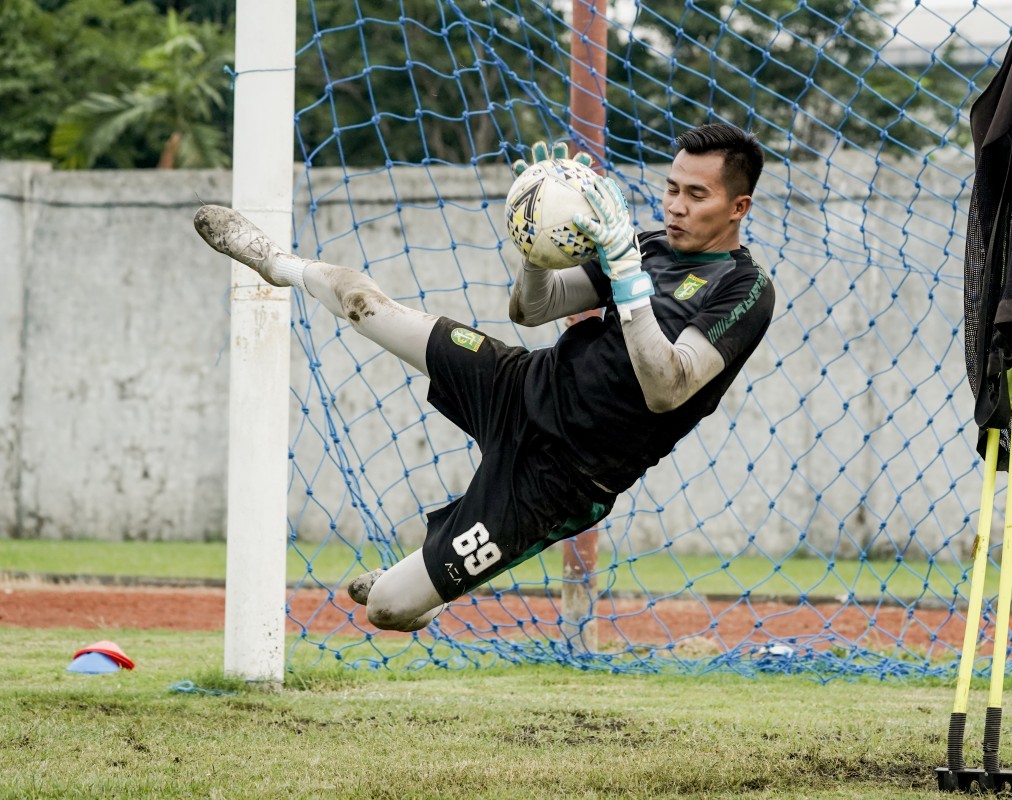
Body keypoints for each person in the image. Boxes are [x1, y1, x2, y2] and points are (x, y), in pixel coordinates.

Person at [193, 122, 775, 632]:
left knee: (388, 610)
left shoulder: (744, 289)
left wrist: (627, 277)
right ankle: (276, 262)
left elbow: (666, 388)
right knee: (369, 308)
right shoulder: (646, 246)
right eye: (672, 188)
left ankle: (426, 586)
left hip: (561, 477)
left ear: (737, 208)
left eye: (696, 195)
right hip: (519, 384)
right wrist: (537, 240)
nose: (675, 205)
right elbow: (531, 309)